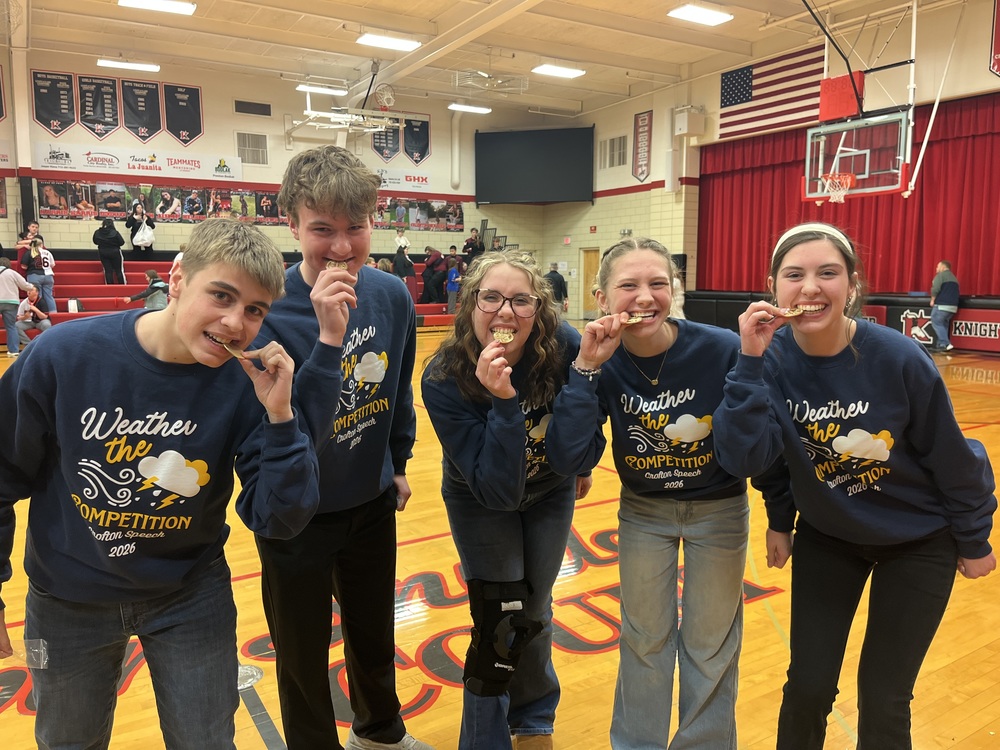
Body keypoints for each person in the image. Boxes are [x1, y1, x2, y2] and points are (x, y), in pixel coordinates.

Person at [0, 218, 341, 749]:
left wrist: (281, 419)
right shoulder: (64, 355)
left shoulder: (247, 382)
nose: (234, 323)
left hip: (189, 593)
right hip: (68, 597)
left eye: (254, 310)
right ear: (178, 277)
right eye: (221, 296)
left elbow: (280, 518)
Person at [712, 222, 997, 750]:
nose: (811, 287)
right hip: (830, 537)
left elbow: (954, 458)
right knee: (808, 687)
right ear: (774, 287)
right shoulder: (766, 360)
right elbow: (749, 457)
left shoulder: (898, 357)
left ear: (853, 284)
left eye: (828, 273)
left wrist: (975, 537)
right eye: (794, 275)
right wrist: (779, 518)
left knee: (884, 696)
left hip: (919, 542)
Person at [251, 145, 431, 750]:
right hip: (294, 515)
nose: (342, 246)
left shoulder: (390, 295)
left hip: (369, 503)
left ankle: (380, 734)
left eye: (356, 227)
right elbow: (284, 429)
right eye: (322, 229)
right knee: (301, 654)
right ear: (291, 223)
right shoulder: (265, 310)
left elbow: (397, 390)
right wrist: (328, 338)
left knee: (374, 634)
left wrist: (398, 463)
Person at [546, 237, 749, 749]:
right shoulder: (596, 356)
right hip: (644, 513)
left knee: (710, 646)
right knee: (644, 642)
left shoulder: (720, 348)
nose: (644, 296)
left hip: (719, 510)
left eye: (659, 283)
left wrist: (783, 518)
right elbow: (571, 458)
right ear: (601, 295)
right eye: (629, 285)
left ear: (675, 290)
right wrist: (586, 370)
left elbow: (756, 441)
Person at [421, 250, 589, 750]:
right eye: (490, 297)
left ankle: (534, 719)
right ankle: (483, 739)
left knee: (534, 609)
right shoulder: (444, 377)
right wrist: (503, 401)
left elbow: (587, 416)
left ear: (538, 311)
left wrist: (579, 463)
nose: (505, 312)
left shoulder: (563, 348)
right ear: (470, 304)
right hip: (481, 499)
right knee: (499, 617)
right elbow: (496, 488)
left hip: (548, 493)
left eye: (521, 300)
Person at [0, 257, 34, 357]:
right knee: (11, 327)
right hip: (11, 302)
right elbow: (24, 285)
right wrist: (32, 286)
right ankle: (13, 350)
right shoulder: (11, 272)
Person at [20, 237, 56, 315]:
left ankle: (39, 314)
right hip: (48, 276)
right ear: (41, 244)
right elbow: (52, 264)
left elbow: (23, 266)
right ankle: (53, 314)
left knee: (37, 296)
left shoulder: (29, 253)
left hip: (34, 276)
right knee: (49, 296)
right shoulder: (47, 252)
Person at [930, 260, 959, 352]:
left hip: (942, 305)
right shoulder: (954, 279)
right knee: (943, 324)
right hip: (953, 307)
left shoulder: (940, 276)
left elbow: (935, 288)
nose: (936, 268)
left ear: (943, 267)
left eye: (938, 266)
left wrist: (932, 299)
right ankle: (941, 345)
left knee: (936, 321)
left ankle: (946, 343)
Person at [93, 218, 127, 284]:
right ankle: (122, 286)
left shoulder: (97, 232)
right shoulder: (115, 232)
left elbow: (95, 242)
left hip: (103, 252)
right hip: (115, 251)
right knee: (119, 270)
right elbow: (122, 242)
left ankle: (110, 287)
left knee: (108, 271)